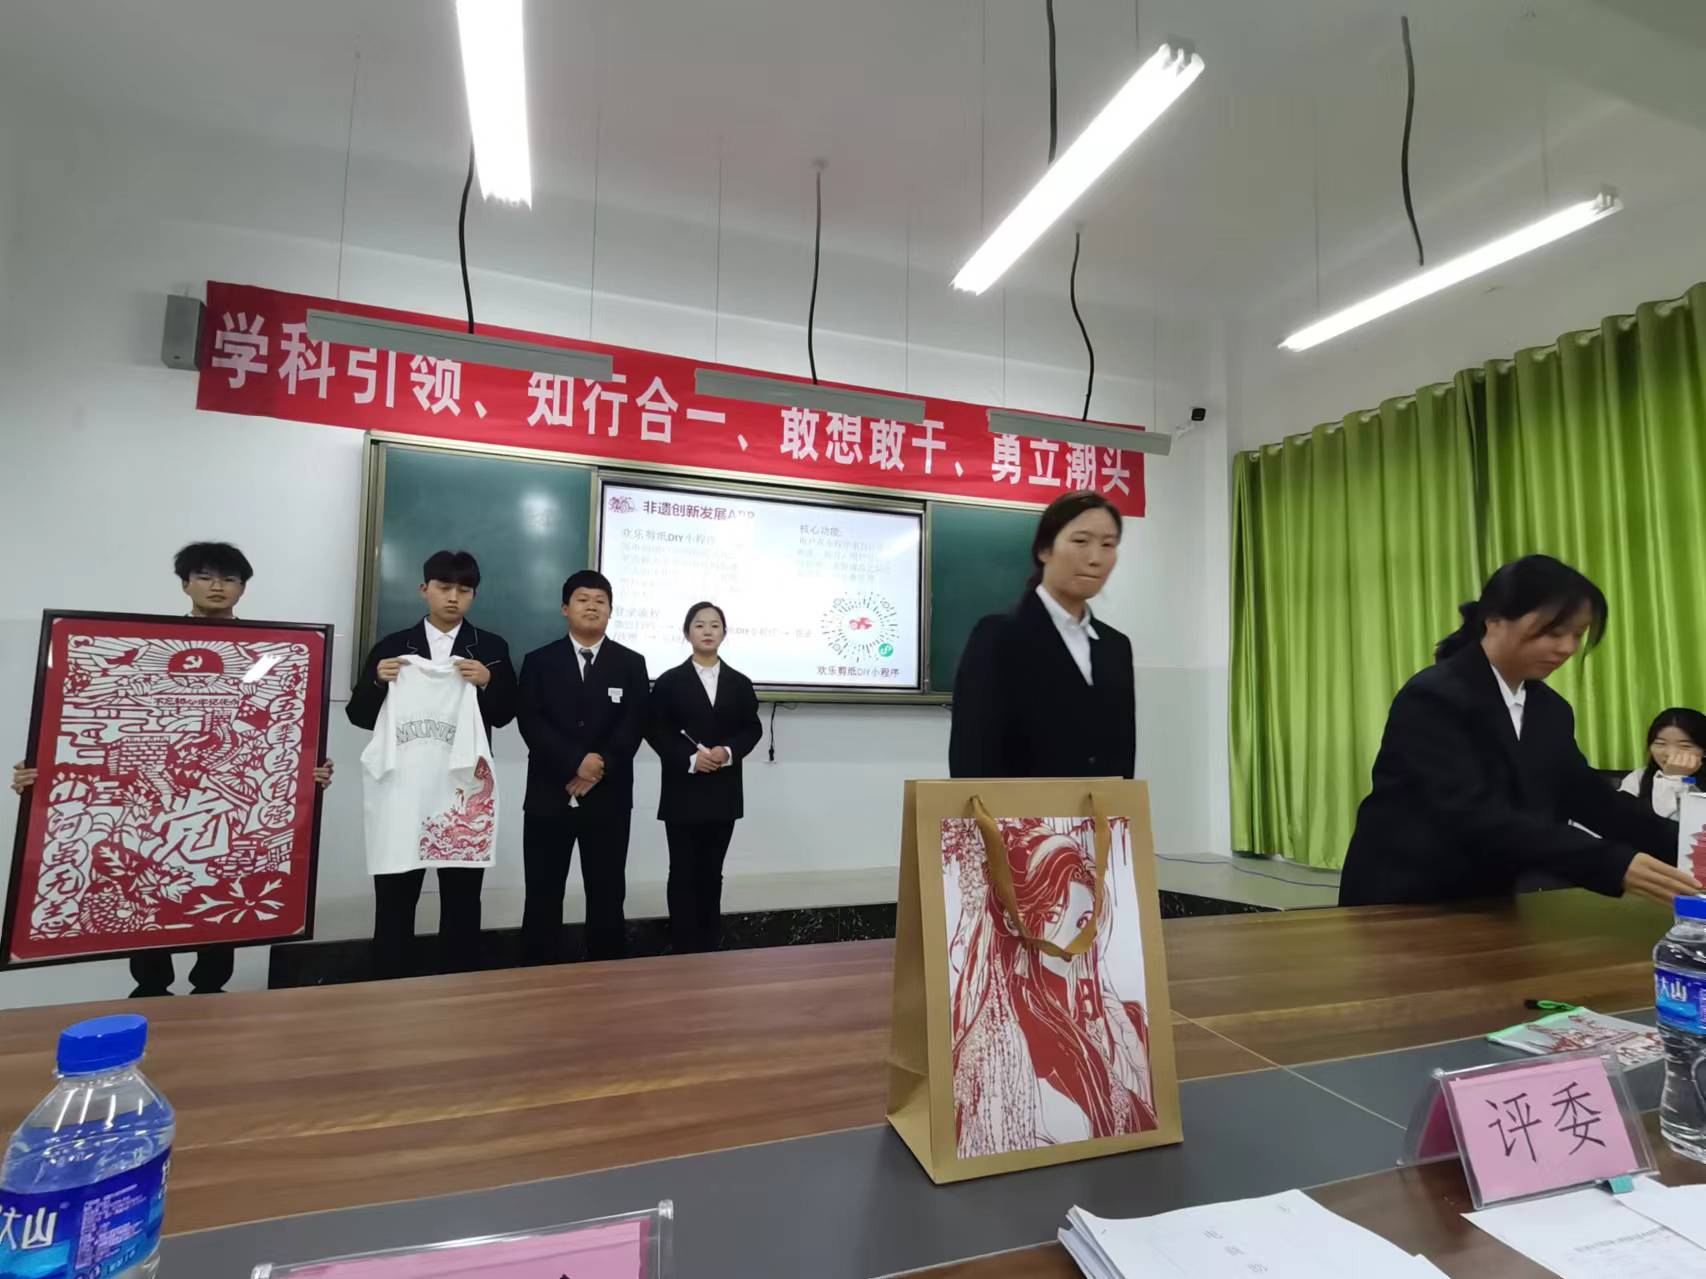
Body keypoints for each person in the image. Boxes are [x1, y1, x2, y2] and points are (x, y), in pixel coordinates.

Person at [10, 541, 334, 996]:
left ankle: (210, 990)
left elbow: (274, 731)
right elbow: (91, 724)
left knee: (219, 876)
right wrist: (45, 770)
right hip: (154, 795)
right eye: (205, 577)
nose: (217, 586)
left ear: (243, 588)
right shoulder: (142, 646)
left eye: (229, 579)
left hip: (221, 796)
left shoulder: (270, 657)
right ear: (185, 585)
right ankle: (151, 988)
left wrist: (306, 769)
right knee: (145, 874)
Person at [1339, 555, 1701, 908]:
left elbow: (1587, 796)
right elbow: (1470, 814)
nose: (1567, 648)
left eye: (1578, 634)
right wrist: (1612, 864)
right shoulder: (1434, 697)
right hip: (1403, 896)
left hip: (1487, 898)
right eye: (1552, 632)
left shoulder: (1549, 709)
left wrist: (1687, 844)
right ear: (1495, 619)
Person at [347, 549, 516, 978]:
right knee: (396, 890)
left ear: (474, 595)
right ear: (425, 589)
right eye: (444, 587)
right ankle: (390, 983)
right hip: (404, 787)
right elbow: (359, 716)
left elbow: (505, 714)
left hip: (462, 789)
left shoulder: (490, 648)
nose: (453, 597)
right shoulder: (393, 648)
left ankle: (459, 985)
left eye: (464, 590)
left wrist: (489, 682)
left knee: (462, 895)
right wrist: (377, 682)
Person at [949, 818, 1155, 1156]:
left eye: (1088, 922)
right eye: (1076, 921)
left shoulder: (1097, 1009)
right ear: (1022, 921)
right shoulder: (1003, 1040)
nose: (1085, 939)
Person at [948, 491, 1135, 780]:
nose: (1095, 558)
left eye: (1108, 544)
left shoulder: (1115, 647)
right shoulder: (998, 637)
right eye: (1080, 541)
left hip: (1098, 809)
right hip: (1019, 809)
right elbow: (971, 758)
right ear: (1044, 550)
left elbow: (1122, 760)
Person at [517, 570, 650, 963]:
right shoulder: (538, 661)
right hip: (549, 795)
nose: (592, 607)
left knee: (607, 892)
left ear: (610, 610)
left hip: (608, 798)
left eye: (600, 601)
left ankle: (607, 977)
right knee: (542, 892)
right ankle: (538, 974)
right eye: (582, 599)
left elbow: (635, 723)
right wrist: (575, 762)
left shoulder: (631, 663)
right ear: (565, 608)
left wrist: (598, 766)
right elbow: (531, 721)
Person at [643, 602, 763, 953]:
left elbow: (752, 728)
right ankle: (683, 943)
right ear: (687, 633)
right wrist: (691, 758)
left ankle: (710, 942)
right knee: (682, 870)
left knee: (712, 871)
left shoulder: (740, 682)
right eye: (699, 625)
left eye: (714, 625)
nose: (707, 631)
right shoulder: (669, 681)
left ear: (724, 633)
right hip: (683, 788)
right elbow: (655, 729)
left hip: (723, 789)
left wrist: (727, 752)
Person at [1619, 708, 1706, 819]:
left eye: (1685, 746)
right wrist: (1671, 778)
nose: (1670, 753)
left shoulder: (1693, 781)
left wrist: (1677, 778)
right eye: (1660, 743)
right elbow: (1620, 820)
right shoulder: (1638, 778)